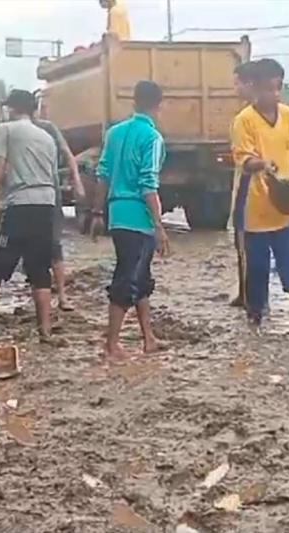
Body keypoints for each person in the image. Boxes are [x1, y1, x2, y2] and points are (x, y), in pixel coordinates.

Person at [230, 58, 289, 341]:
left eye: (278, 87)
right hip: (254, 207)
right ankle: (255, 318)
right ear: (255, 88)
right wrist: (262, 164)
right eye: (269, 88)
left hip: (284, 204)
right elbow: (243, 159)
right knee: (256, 270)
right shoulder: (243, 121)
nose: (275, 94)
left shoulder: (287, 114)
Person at [0, 89, 59, 342]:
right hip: (45, 205)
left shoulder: (6, 129)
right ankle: (45, 330)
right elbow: (54, 178)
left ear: (14, 108)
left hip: (19, 206)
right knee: (40, 269)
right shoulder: (47, 137)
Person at [91, 80, 168, 359]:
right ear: (159, 105)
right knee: (128, 279)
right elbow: (149, 184)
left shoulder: (114, 133)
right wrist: (159, 225)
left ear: (134, 101)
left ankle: (149, 338)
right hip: (139, 217)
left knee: (141, 277)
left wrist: (98, 213)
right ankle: (111, 345)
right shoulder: (152, 138)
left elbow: (103, 175)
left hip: (117, 215)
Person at [27, 95, 86, 311]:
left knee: (53, 245)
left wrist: (77, 181)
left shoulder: (47, 129)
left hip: (48, 194)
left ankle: (61, 296)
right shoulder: (12, 131)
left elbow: (67, 154)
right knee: (34, 247)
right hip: (28, 197)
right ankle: (41, 296)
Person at [230, 60, 257, 309]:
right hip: (257, 187)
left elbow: (246, 159)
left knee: (245, 242)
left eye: (237, 82)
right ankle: (246, 293)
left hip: (249, 190)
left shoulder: (244, 119)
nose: (235, 88)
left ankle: (249, 295)